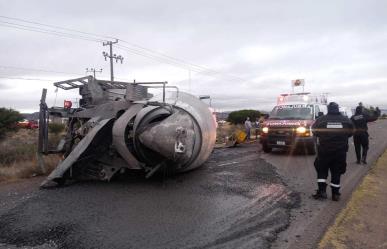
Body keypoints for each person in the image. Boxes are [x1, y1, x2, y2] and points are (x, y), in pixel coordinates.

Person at [312, 102, 354, 201]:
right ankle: (335, 194)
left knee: (321, 170)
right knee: (337, 171)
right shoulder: (346, 120)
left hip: (324, 151)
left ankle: (322, 192)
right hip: (340, 152)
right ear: (337, 109)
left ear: (328, 109)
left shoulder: (320, 120)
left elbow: (314, 131)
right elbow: (351, 133)